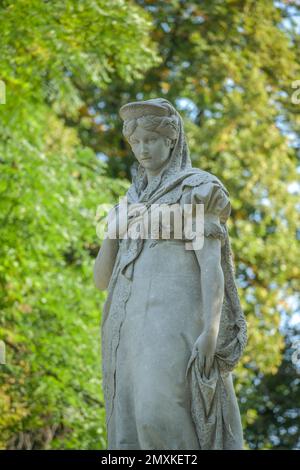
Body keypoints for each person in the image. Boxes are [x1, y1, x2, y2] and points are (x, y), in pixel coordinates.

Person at [94, 98, 247, 450]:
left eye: (151, 139)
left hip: (173, 319)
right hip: (127, 327)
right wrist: (113, 230)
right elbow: (102, 281)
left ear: (171, 140)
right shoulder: (126, 203)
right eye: (136, 143)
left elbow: (212, 265)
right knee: (129, 429)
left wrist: (210, 329)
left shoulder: (198, 188)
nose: (143, 149)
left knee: (158, 413)